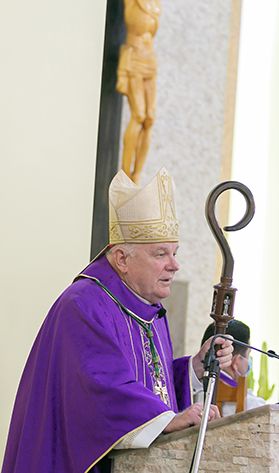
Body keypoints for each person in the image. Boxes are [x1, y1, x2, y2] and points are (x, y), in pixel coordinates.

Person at [2, 167, 233, 473]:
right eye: (160, 254)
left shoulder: (148, 309)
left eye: (175, 253)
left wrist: (194, 368)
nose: (174, 265)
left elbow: (149, 384)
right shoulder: (83, 305)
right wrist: (164, 419)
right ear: (122, 259)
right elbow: (102, 390)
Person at [109, 0, 182, 186]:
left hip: (150, 61)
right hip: (134, 57)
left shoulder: (156, 0)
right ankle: (124, 173)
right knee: (138, 115)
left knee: (150, 119)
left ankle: (137, 174)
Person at [200, 320, 267, 417]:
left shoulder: (188, 392)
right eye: (248, 355)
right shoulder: (255, 406)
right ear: (236, 362)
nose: (248, 361)